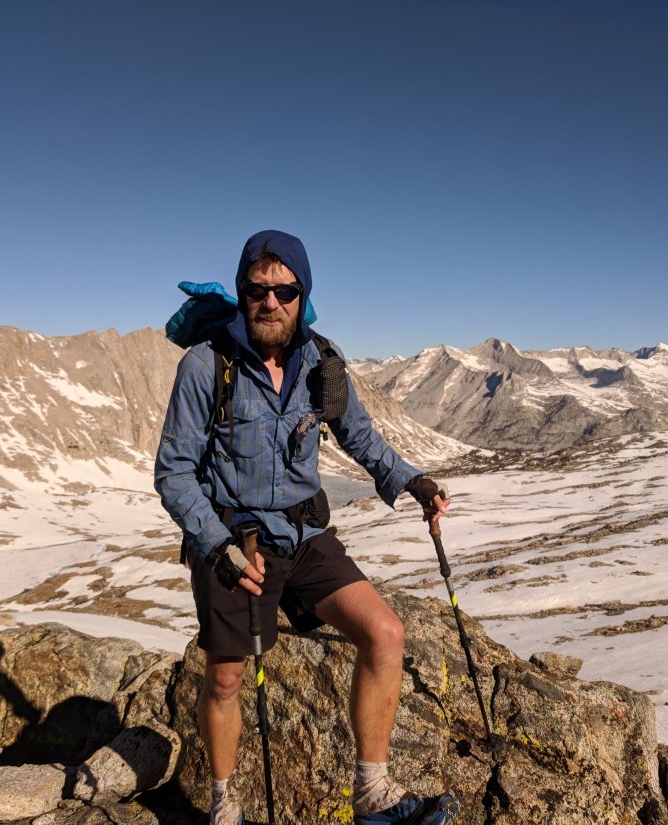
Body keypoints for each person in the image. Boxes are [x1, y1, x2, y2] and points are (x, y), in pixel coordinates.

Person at [155, 229, 458, 825]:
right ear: (242, 293)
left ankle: (372, 795)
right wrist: (216, 548)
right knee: (226, 679)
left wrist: (413, 482)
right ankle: (224, 806)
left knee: (385, 634)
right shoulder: (206, 365)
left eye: (285, 291)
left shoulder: (322, 361)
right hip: (235, 542)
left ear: (303, 295)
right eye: (257, 290)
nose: (271, 302)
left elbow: (359, 435)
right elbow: (174, 472)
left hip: (305, 537)